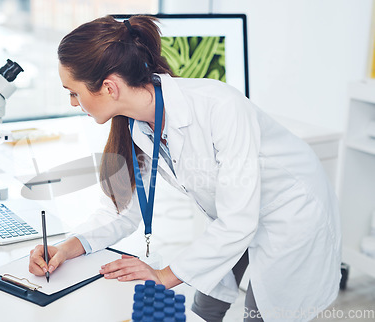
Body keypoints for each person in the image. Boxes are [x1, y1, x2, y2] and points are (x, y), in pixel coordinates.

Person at [28, 15, 341, 322]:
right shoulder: (134, 124)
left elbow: (238, 221)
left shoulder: (220, 107)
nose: (73, 103)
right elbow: (121, 210)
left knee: (261, 313)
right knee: (206, 306)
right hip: (234, 214)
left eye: (73, 92)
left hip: (289, 213)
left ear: (109, 87)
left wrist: (162, 276)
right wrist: (67, 248)